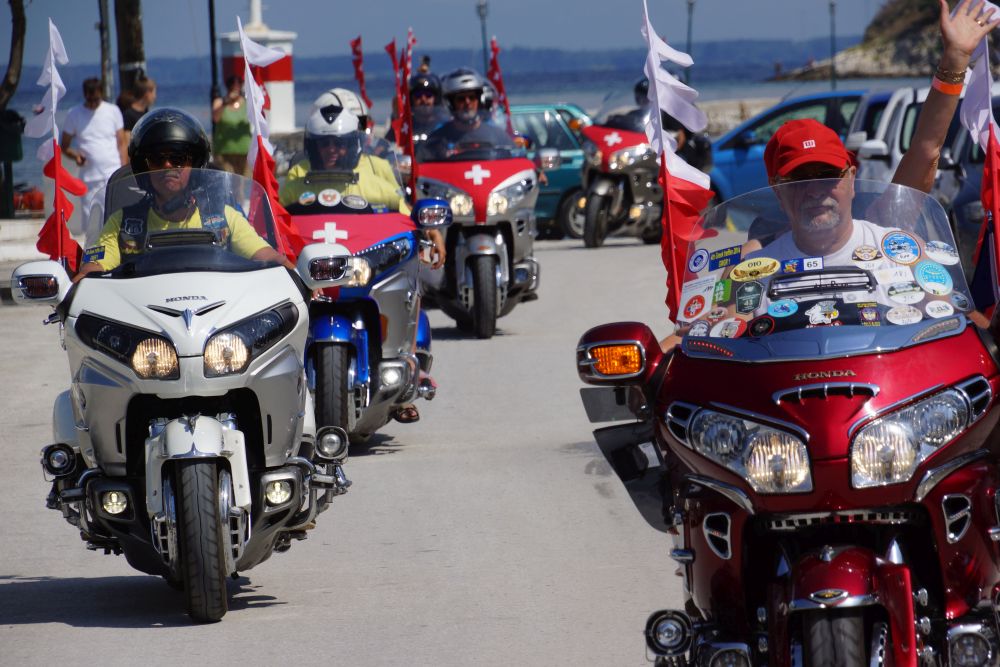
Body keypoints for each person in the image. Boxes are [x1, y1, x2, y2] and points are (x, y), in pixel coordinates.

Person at [660, 0, 998, 350]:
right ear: (777, 189)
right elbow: (703, 330)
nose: (815, 190)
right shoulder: (753, 266)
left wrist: (955, 60)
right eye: (799, 179)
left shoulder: (894, 243)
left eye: (827, 175)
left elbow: (926, 149)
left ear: (851, 177)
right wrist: (650, 360)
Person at [74, 108, 293, 281]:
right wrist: (81, 281)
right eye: (157, 159)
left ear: (195, 165)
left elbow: (268, 257)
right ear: (144, 167)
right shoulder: (123, 224)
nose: (168, 166)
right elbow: (92, 269)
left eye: (178, 158)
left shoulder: (222, 218)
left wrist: (295, 274)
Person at [61, 77, 127, 228]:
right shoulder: (74, 114)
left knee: (116, 218)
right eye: (89, 99)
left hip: (112, 174)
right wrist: (76, 156)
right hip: (90, 178)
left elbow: (122, 143)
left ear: (101, 94)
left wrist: (123, 170)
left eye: (96, 99)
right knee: (92, 222)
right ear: (85, 95)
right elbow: (64, 146)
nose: (92, 103)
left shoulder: (113, 111)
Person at [417, 68, 514, 161]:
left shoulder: (499, 136)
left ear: (479, 101)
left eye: (472, 97)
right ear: (451, 104)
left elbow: (514, 163)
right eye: (461, 99)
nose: (467, 103)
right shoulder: (435, 140)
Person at [212, 74, 251, 175]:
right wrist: (226, 102)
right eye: (232, 84)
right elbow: (215, 118)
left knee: (246, 181)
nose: (235, 86)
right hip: (224, 153)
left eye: (239, 83)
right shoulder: (219, 102)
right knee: (229, 180)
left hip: (244, 152)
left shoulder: (247, 103)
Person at [121, 76, 157, 148]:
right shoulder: (128, 115)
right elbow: (128, 144)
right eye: (154, 93)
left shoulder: (146, 113)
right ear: (147, 94)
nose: (155, 97)